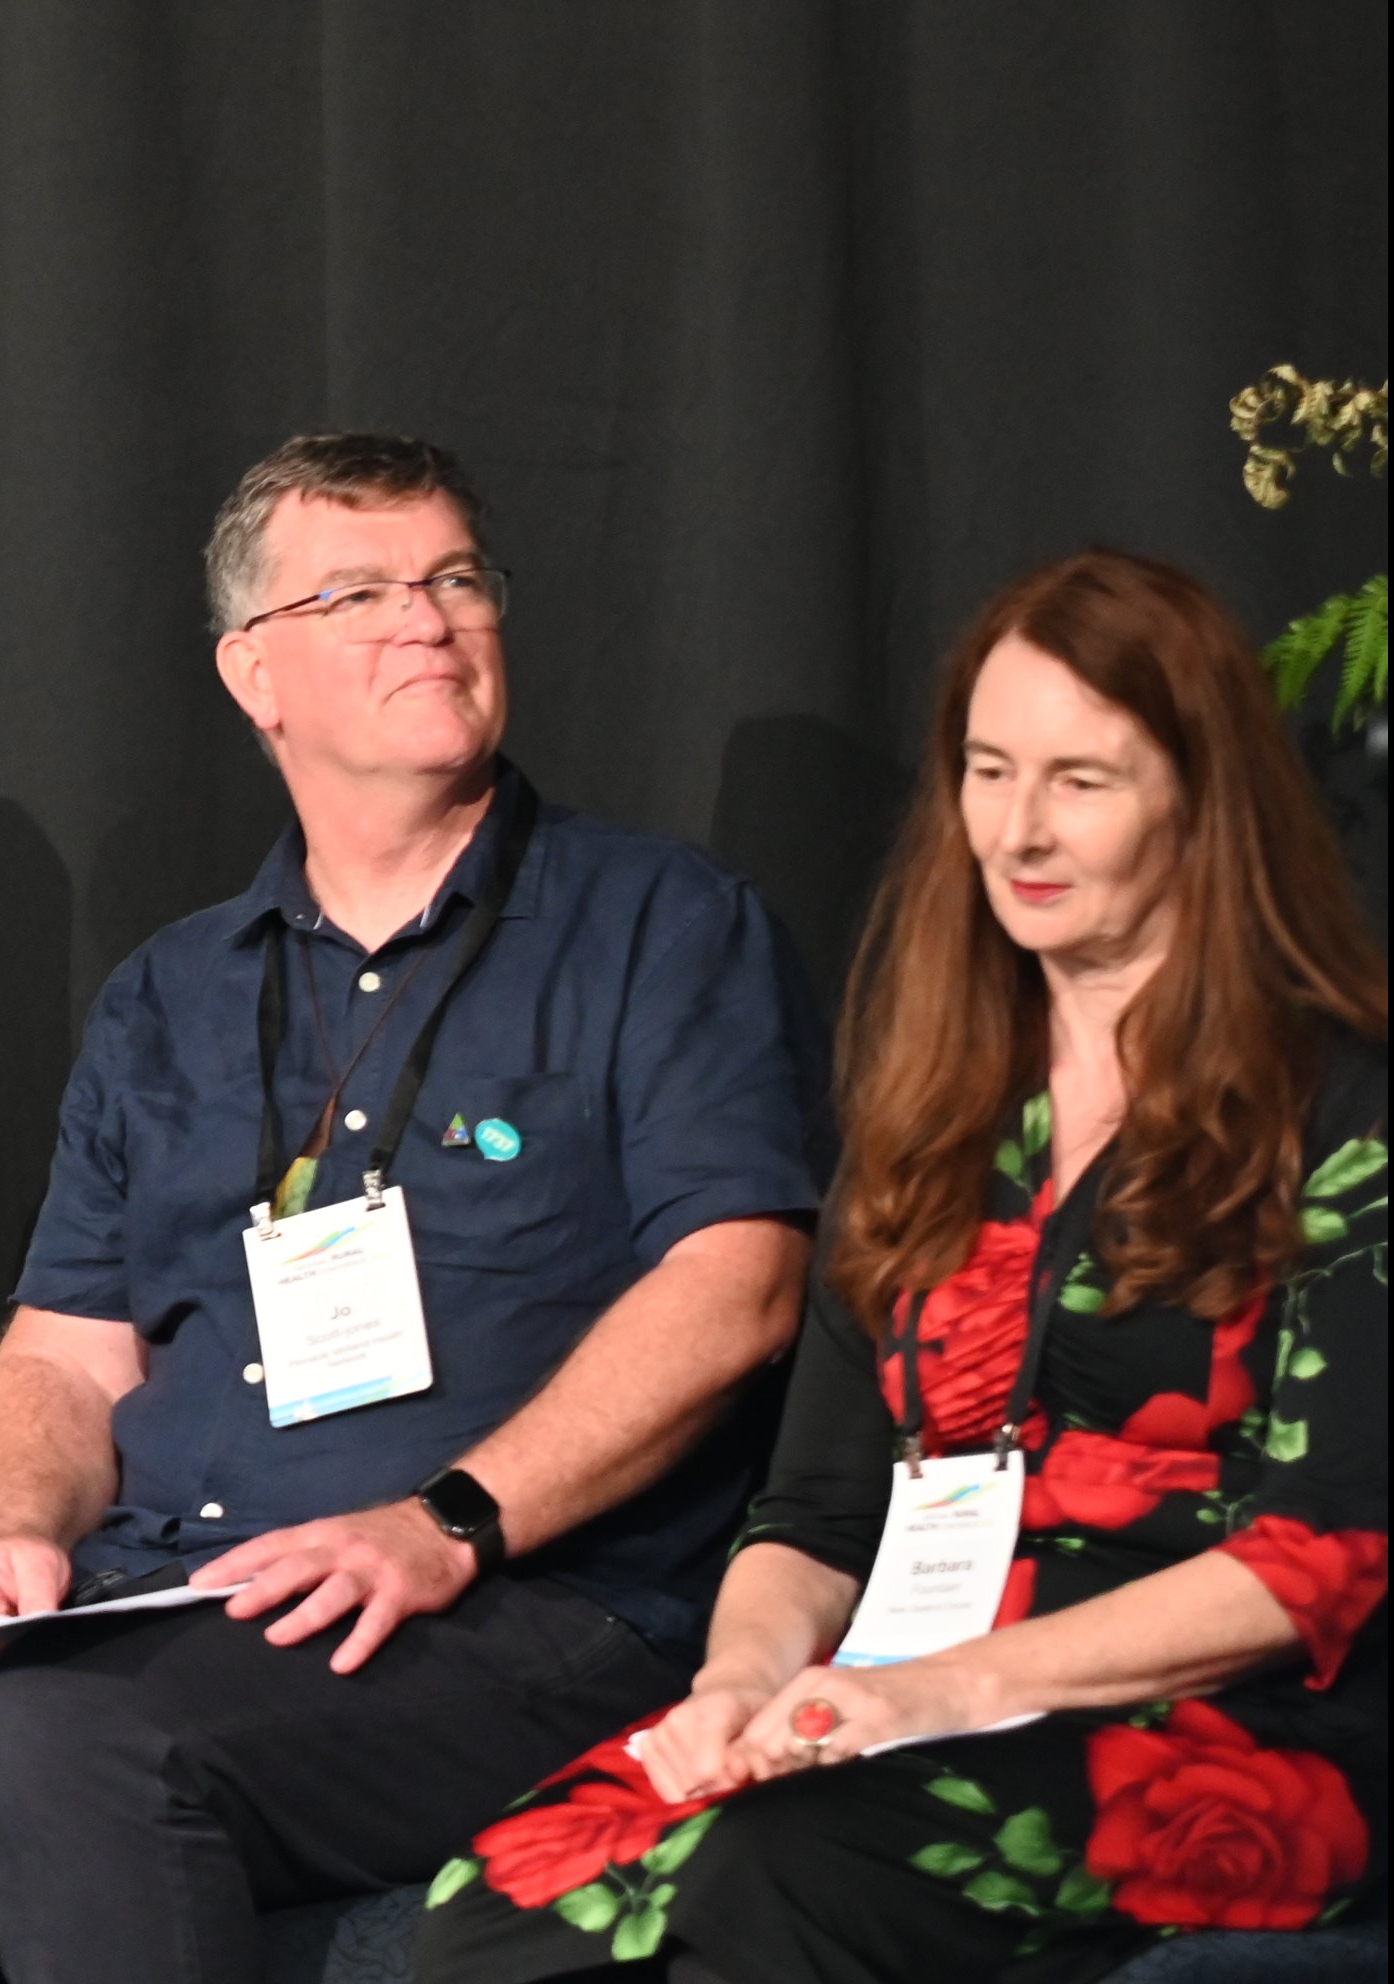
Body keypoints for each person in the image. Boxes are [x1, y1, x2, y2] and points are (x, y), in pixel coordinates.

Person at [0, 434, 834, 1982]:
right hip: (152, 1593)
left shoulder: (660, 924)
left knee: (78, 1743)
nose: (427, 621)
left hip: (519, 1605)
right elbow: (59, 1353)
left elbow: (740, 1283)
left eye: (453, 581)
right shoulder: (165, 996)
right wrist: (17, 1531)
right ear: (255, 675)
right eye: (361, 591)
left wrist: (448, 1521)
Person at [419, 549, 1388, 1979]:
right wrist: (745, 1686)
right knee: (498, 1901)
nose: (1018, 830)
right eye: (988, 773)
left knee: (773, 1876)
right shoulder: (935, 1117)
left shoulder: (1341, 1107)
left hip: (1234, 1738)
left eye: (1080, 780)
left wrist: (935, 1694)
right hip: (897, 1702)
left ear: (1199, 797)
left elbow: (1318, 1563)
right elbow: (813, 1514)